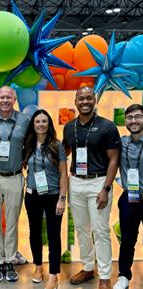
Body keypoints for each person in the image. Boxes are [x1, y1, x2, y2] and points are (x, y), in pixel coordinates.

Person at [63, 86, 121, 289]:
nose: (85, 102)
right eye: (81, 98)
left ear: (94, 101)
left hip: (99, 182)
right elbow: (65, 149)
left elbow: (114, 159)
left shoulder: (108, 126)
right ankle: (88, 268)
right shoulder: (69, 127)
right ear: (75, 101)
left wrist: (106, 188)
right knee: (81, 229)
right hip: (76, 182)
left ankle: (105, 276)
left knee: (101, 230)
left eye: (89, 98)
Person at [0, 86, 30, 282]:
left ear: (15, 99)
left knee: (12, 222)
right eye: (1, 97)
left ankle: (10, 261)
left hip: (15, 176)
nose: (5, 101)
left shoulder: (25, 121)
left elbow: (31, 144)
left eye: (8, 98)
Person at [22, 109, 67, 289]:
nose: (41, 124)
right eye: (37, 121)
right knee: (35, 233)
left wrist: (62, 198)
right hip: (32, 195)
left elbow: (63, 174)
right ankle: (38, 266)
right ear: (33, 124)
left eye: (44, 121)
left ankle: (53, 274)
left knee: (53, 235)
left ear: (49, 124)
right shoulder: (28, 145)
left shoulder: (57, 145)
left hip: (53, 196)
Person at [113, 104, 143, 289]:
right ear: (125, 121)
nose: (134, 121)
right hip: (129, 200)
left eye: (138, 117)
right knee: (127, 241)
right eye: (130, 117)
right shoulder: (121, 142)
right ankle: (124, 276)